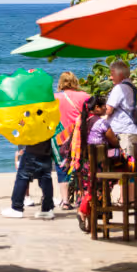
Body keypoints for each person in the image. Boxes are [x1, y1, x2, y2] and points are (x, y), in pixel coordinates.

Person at [54, 71, 89, 210]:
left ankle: (65, 201)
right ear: (75, 81)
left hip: (60, 137)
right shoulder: (85, 96)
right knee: (80, 165)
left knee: (62, 166)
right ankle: (81, 197)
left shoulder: (54, 97)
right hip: (79, 135)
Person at [1, 132, 57, 219]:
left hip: (32, 151)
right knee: (45, 177)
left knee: (22, 177)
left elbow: (24, 128)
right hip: (46, 151)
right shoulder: (49, 119)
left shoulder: (31, 118)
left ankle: (17, 208)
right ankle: (47, 209)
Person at [105, 60, 137, 158]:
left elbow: (108, 110)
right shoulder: (132, 87)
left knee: (127, 164)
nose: (110, 77)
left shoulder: (120, 88)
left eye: (112, 74)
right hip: (135, 131)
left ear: (120, 75)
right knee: (135, 163)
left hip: (125, 133)